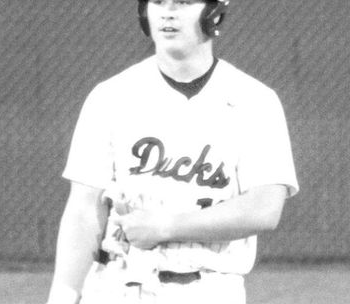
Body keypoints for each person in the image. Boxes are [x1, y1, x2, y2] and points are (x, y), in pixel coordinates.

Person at [46, 0, 299, 303]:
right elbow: (84, 211)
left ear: (214, 13)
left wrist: (166, 227)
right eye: (158, 2)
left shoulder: (254, 101)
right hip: (115, 285)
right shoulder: (111, 96)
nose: (168, 12)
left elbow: (264, 209)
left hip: (209, 290)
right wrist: (63, 295)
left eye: (182, 2)